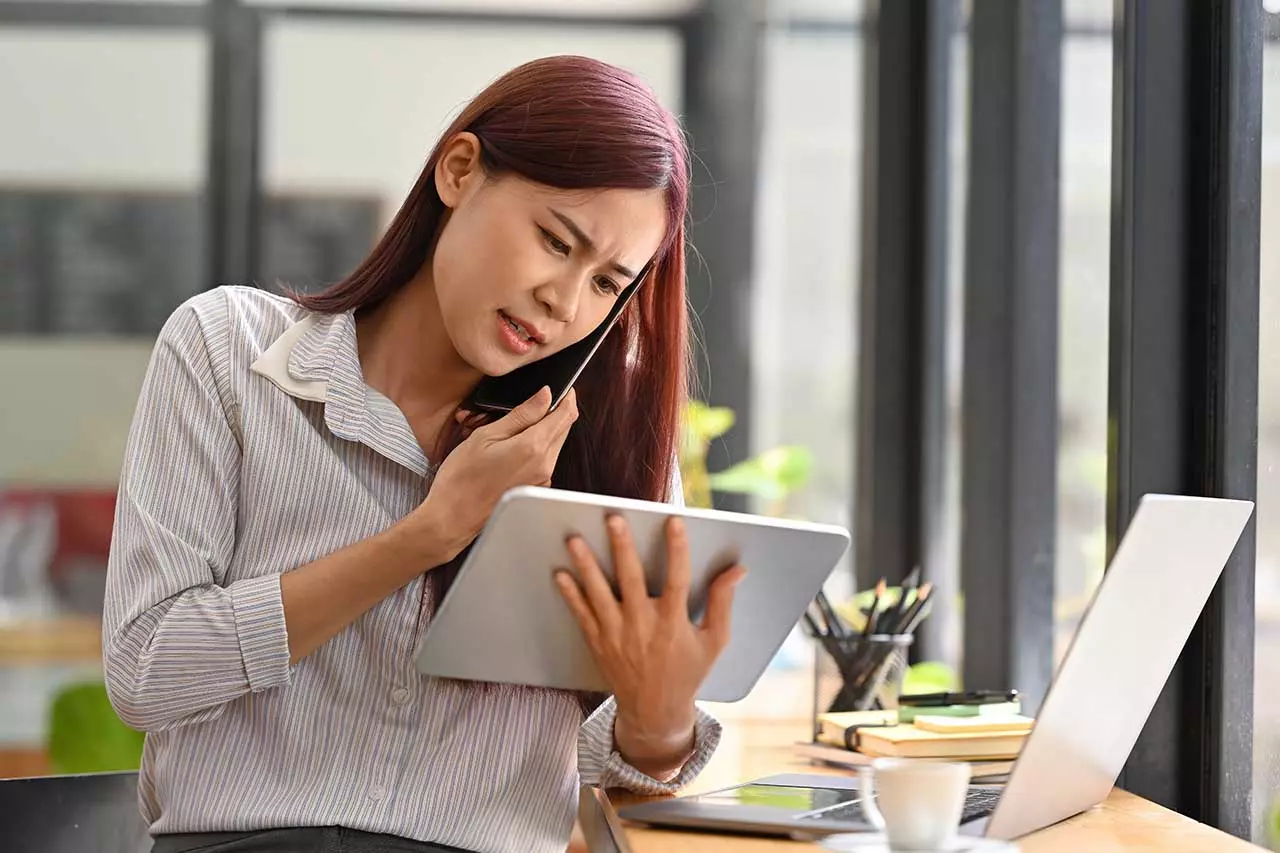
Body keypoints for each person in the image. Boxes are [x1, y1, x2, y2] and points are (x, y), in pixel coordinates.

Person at [101, 55, 746, 853]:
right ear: (460, 170)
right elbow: (146, 671)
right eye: (555, 239)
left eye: (607, 282)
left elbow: (578, 754)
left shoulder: (602, 440)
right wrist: (429, 535)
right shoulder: (227, 350)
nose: (565, 301)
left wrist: (659, 721)